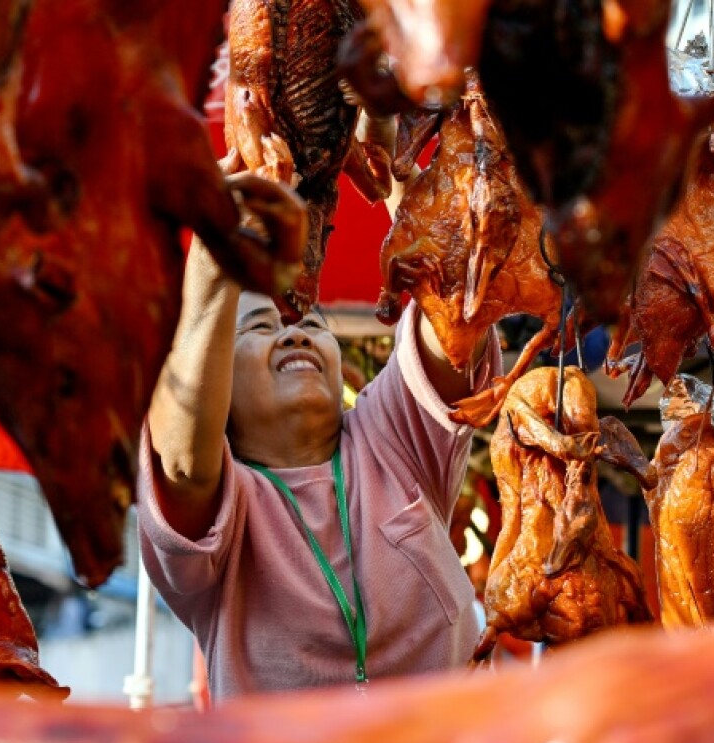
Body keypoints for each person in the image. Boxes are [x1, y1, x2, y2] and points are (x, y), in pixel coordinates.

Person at [137, 194, 502, 702]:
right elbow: (182, 460)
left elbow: (454, 314)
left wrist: (398, 174)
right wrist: (210, 257)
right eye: (261, 328)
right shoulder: (225, 508)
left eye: (311, 323)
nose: (295, 334)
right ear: (217, 378)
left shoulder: (389, 437)